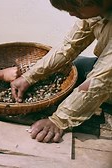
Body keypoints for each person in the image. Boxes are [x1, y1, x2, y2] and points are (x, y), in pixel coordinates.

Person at [11, 0, 112, 143]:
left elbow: (100, 79)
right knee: (77, 66)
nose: (71, 14)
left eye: (75, 8)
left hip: (107, 75)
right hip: (105, 67)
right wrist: (29, 77)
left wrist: (59, 120)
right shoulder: (95, 9)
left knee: (89, 84)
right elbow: (69, 46)